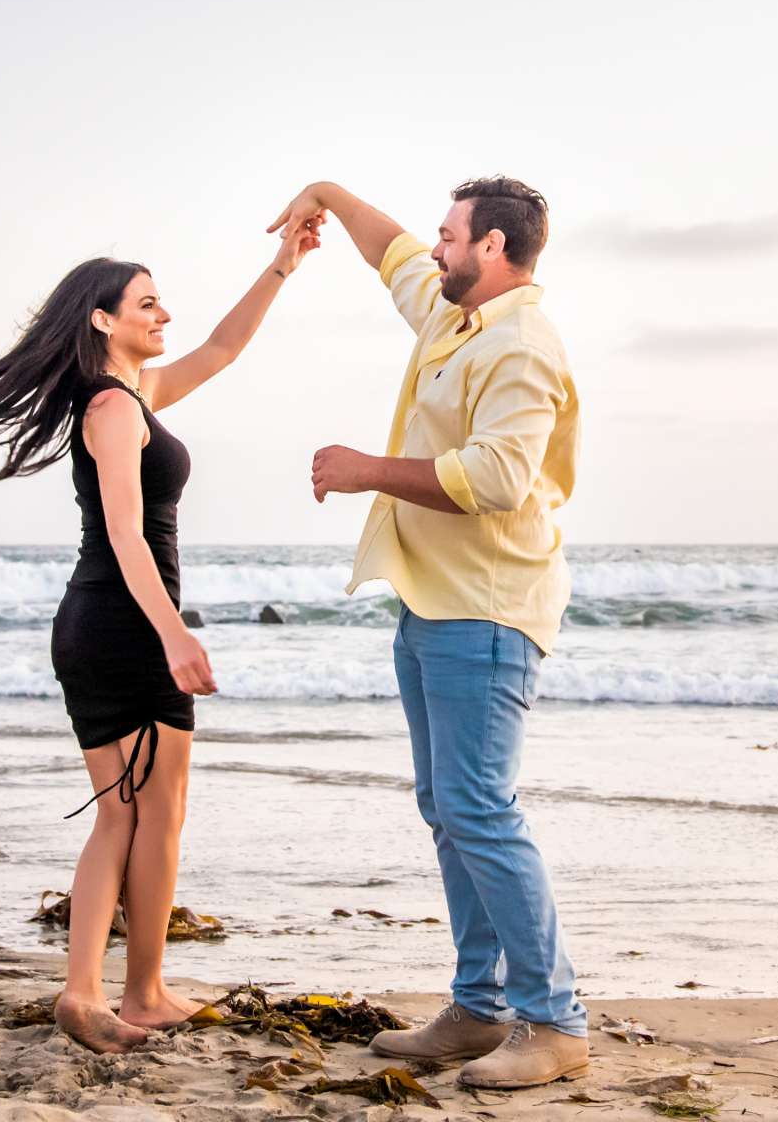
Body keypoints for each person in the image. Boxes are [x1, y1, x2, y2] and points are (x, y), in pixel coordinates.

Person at [0, 217, 324, 1052]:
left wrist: (282, 265)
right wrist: (176, 636)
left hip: (100, 621)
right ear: (103, 318)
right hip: (123, 623)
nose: (164, 316)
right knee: (148, 814)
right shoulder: (115, 408)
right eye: (147, 305)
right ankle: (134, 992)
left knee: (128, 816)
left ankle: (100, 992)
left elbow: (224, 350)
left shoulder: (131, 395)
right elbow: (126, 535)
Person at [265, 175, 588, 1090]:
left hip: (487, 608)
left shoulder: (522, 344)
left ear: (491, 248)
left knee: (481, 810)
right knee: (449, 811)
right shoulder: (454, 316)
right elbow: (390, 251)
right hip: (428, 601)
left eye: (451, 236)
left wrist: (368, 469)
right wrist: (324, 192)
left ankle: (555, 1022)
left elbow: (497, 477)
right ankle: (478, 1009)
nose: (435, 248)